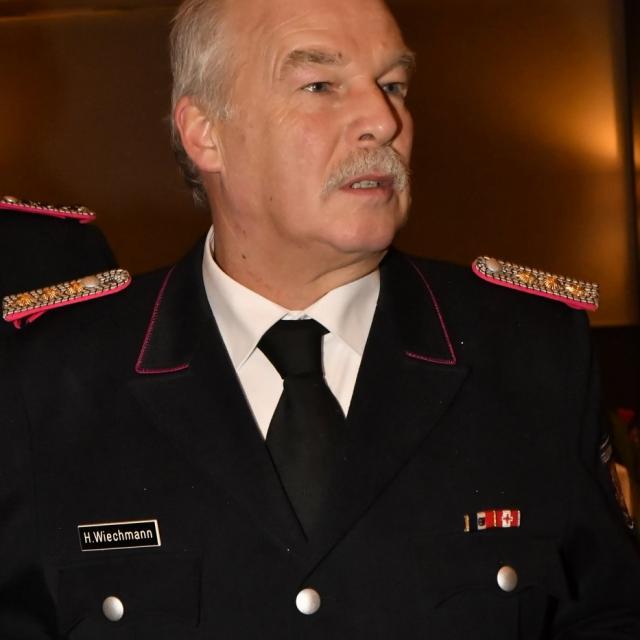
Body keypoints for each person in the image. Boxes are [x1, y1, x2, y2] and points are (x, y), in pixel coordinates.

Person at [1, 0, 639, 637]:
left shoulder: (529, 354)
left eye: (393, 85)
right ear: (206, 134)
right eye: (320, 85)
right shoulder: (54, 378)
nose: (383, 121)